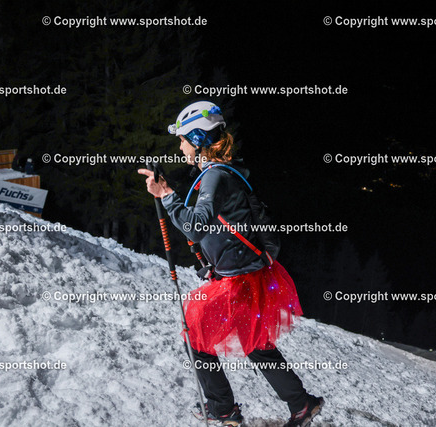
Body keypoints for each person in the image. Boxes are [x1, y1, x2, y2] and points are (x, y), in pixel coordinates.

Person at [138, 101, 324, 426]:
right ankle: (302, 404)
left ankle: (223, 410)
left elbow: (196, 226)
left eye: (182, 140)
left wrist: (167, 195)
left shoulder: (214, 177)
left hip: (239, 281)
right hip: (250, 275)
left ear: (198, 139)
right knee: (257, 344)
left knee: (195, 334)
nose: (180, 148)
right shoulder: (224, 171)